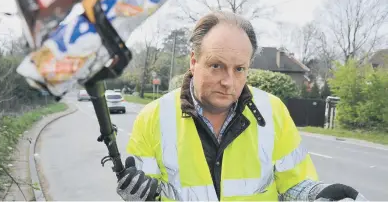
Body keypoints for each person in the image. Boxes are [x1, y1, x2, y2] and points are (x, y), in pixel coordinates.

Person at [116, 11, 367, 201]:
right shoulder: (153, 118)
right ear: (194, 61)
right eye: (217, 66)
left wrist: (318, 195)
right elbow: (151, 193)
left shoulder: (273, 111)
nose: (228, 82)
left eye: (239, 69)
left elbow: (294, 185)